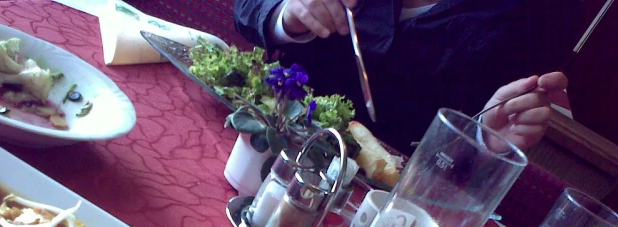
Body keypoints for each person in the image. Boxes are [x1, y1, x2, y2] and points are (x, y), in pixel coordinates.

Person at [234, 0, 579, 155]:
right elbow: (248, 9)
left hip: (380, 198)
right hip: (265, 132)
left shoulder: (540, 16)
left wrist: (483, 141)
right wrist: (287, 14)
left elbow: (474, 147)